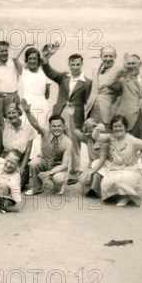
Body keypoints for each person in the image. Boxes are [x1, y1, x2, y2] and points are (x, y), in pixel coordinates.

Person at [108, 54, 142, 202]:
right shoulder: (123, 81)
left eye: (133, 63)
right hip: (128, 123)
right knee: (124, 156)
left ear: (140, 63)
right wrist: (119, 73)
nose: (131, 66)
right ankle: (123, 191)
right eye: (128, 64)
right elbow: (111, 87)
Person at [41, 43, 92, 185]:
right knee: (56, 141)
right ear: (69, 64)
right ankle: (55, 170)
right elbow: (48, 71)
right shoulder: (63, 77)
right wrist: (46, 57)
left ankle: (74, 174)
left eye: (77, 64)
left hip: (76, 117)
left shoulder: (87, 82)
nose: (75, 67)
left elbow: (89, 103)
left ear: (82, 64)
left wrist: (89, 120)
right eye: (72, 64)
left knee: (74, 145)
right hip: (60, 113)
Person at [92, 115, 142, 207]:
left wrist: (139, 156)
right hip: (115, 169)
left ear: (125, 127)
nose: (118, 129)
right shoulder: (111, 138)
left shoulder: (133, 140)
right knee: (106, 183)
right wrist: (97, 129)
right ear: (112, 128)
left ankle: (126, 196)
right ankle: (120, 194)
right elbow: (96, 137)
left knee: (123, 179)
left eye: (120, 126)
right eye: (115, 126)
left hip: (131, 170)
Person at [21, 99, 72, 197]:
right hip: (45, 160)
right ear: (50, 126)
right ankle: (37, 188)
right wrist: (27, 112)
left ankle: (58, 186)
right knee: (33, 163)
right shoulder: (45, 132)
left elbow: (65, 165)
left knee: (58, 178)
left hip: (58, 166)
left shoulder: (68, 142)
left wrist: (49, 173)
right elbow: (35, 124)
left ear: (63, 126)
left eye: (59, 126)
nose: (56, 128)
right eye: (54, 126)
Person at [0, 40, 25, 156]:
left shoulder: (14, 63)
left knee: (13, 126)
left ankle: (14, 156)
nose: (4, 53)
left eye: (6, 50)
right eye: (1, 51)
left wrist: (26, 45)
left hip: (12, 98)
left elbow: (23, 70)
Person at [0, 98, 34, 187]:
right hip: (6, 158)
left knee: (14, 185)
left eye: (14, 112)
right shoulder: (5, 124)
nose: (11, 115)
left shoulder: (28, 128)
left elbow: (28, 151)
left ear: (19, 113)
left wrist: (22, 167)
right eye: (8, 113)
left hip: (20, 160)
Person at [85, 46, 123, 125]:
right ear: (101, 56)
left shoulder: (120, 70)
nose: (108, 59)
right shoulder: (96, 69)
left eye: (111, 56)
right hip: (92, 107)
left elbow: (121, 89)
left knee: (105, 133)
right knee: (91, 132)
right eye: (105, 56)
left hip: (108, 109)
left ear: (115, 56)